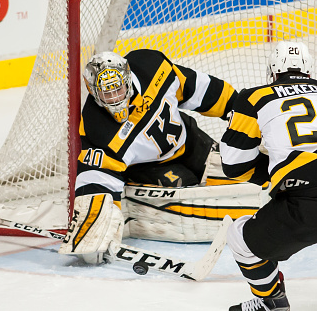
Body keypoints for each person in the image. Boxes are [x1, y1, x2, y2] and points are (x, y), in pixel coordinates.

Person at [59, 49, 238, 262]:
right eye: (107, 93)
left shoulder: (152, 66)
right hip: (151, 167)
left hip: (189, 140)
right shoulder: (98, 128)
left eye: (119, 89)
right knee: (187, 190)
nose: (116, 98)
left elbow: (194, 87)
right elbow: (96, 180)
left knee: (232, 167)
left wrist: (239, 109)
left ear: (127, 77)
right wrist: (94, 235)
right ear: (95, 93)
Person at [220, 40, 317, 311]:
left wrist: (276, 173)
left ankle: (271, 302)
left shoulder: (254, 96)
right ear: (309, 69)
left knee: (240, 238)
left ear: (272, 72)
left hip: (306, 201)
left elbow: (233, 164)